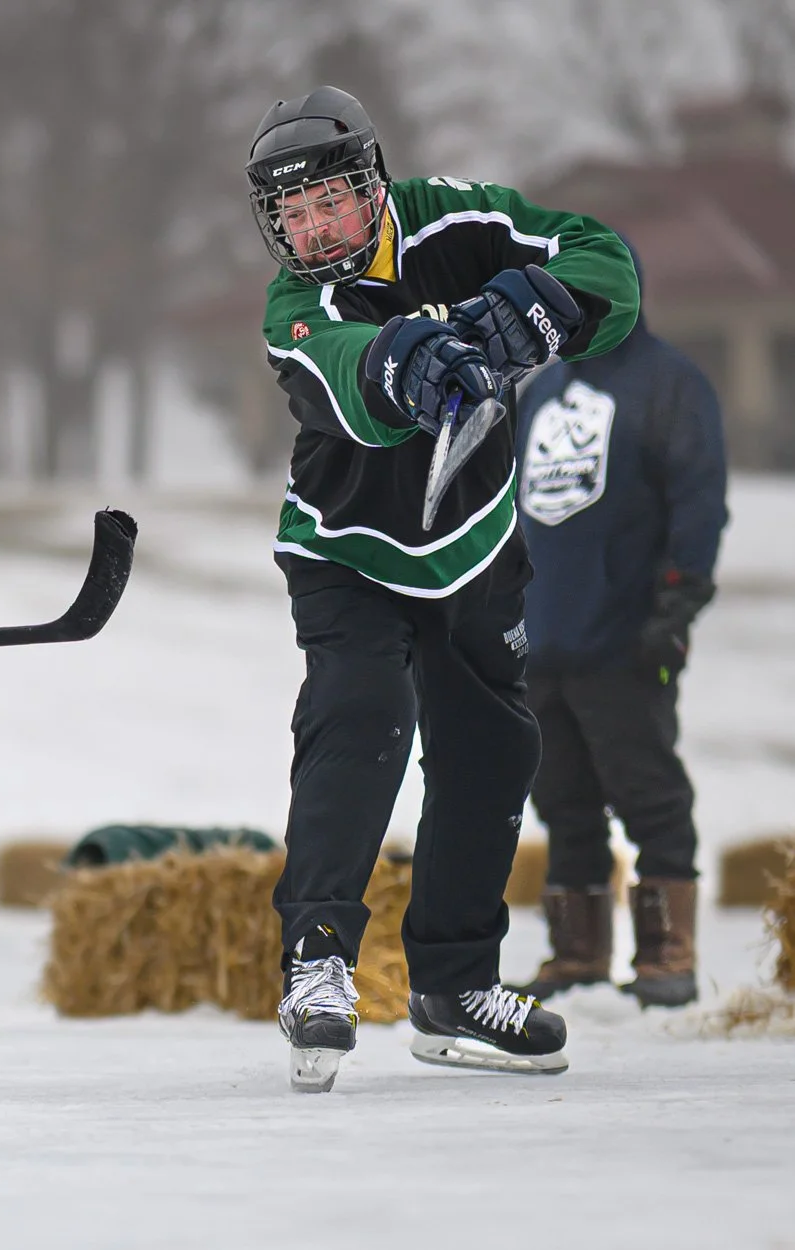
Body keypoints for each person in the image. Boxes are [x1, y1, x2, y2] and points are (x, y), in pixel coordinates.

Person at [244, 86, 639, 1091]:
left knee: (495, 743)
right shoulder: (296, 307)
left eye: (331, 202)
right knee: (364, 709)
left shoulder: (457, 219)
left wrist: (544, 306)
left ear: (374, 185)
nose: (317, 229)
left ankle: (454, 988)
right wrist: (408, 360)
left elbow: (602, 257)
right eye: (294, 217)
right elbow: (345, 372)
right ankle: (319, 960)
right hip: (348, 549)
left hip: (474, 541)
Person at [507, 239, 727, 1009]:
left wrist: (674, 607)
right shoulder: (540, 387)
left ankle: (667, 949)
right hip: (542, 638)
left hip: (627, 635)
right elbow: (514, 511)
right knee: (560, 799)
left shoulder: (670, 384)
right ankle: (576, 952)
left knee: (647, 791)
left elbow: (698, 504)